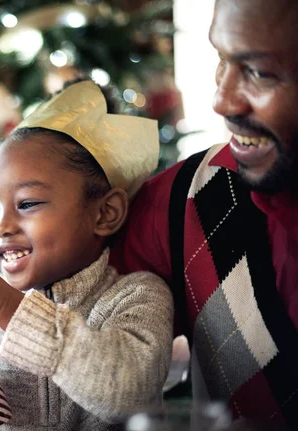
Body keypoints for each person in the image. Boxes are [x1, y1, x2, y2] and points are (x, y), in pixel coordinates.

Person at [0, 80, 174, 430]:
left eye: (27, 204)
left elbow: (128, 395)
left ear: (105, 213)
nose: (0, 227)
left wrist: (7, 308)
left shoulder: (136, 296)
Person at [110, 0, 298, 428]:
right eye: (222, 59)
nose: (222, 100)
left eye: (259, 72)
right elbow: (70, 362)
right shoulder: (189, 198)